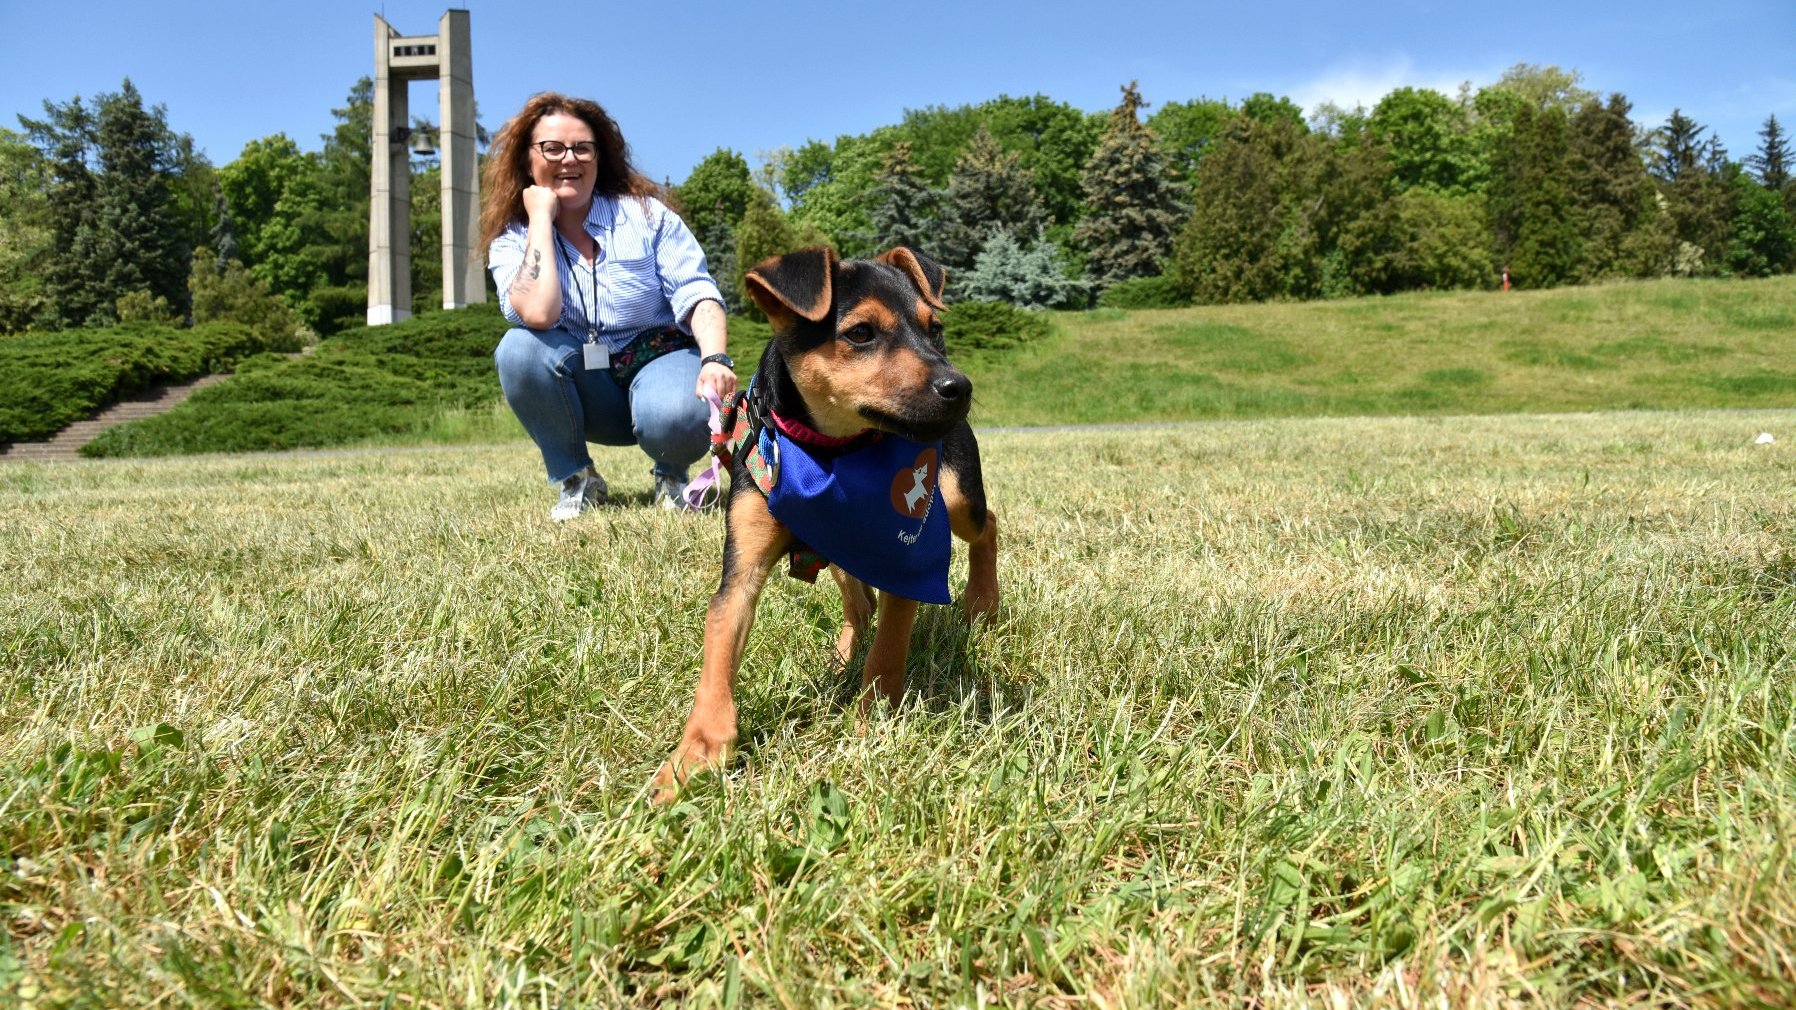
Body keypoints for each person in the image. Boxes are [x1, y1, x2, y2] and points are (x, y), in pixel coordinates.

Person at [480, 92, 737, 519]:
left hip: (661, 364)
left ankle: (671, 475)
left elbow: (698, 292)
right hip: (586, 385)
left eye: (583, 148)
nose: (570, 159)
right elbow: (538, 314)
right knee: (517, 349)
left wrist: (715, 357)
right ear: (528, 159)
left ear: (599, 158)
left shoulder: (647, 216)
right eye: (553, 148)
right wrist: (541, 220)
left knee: (674, 412)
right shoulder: (512, 239)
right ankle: (578, 479)